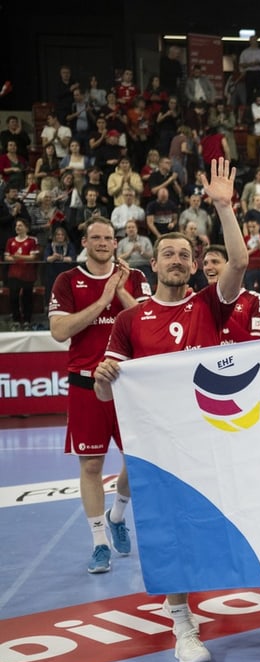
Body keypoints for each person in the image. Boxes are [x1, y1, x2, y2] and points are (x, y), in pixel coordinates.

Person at [93, 158, 247, 662]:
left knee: (211, 523)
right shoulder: (132, 320)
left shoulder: (209, 304)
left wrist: (223, 206)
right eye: (169, 254)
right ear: (152, 265)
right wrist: (102, 379)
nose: (177, 259)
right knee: (172, 528)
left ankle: (186, 600)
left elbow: (241, 264)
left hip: (209, 434)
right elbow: (103, 395)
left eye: (185, 253)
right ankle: (183, 621)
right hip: (159, 446)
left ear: (195, 262)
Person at [48, 217, 151, 573]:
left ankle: (117, 515)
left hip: (129, 384)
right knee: (91, 465)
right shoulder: (67, 280)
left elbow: (146, 321)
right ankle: (99, 543)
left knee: (138, 462)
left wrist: (119, 291)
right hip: (85, 384)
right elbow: (60, 331)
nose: (104, 242)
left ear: (116, 241)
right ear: (86, 240)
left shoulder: (134, 278)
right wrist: (102, 299)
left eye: (109, 237)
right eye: (97, 237)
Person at [202, 244, 260, 343]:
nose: (208, 267)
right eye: (205, 263)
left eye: (215, 262)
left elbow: (257, 345)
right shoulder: (200, 301)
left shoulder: (254, 300)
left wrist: (220, 313)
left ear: (230, 266)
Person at [4, 218, 40, 329]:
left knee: (27, 298)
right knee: (13, 297)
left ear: (26, 228)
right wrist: (23, 258)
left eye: (20, 225)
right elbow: (6, 257)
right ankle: (16, 320)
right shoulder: (10, 241)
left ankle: (27, 321)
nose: (17, 228)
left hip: (28, 275)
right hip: (13, 274)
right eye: (16, 226)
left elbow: (33, 257)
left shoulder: (32, 241)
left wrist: (18, 257)